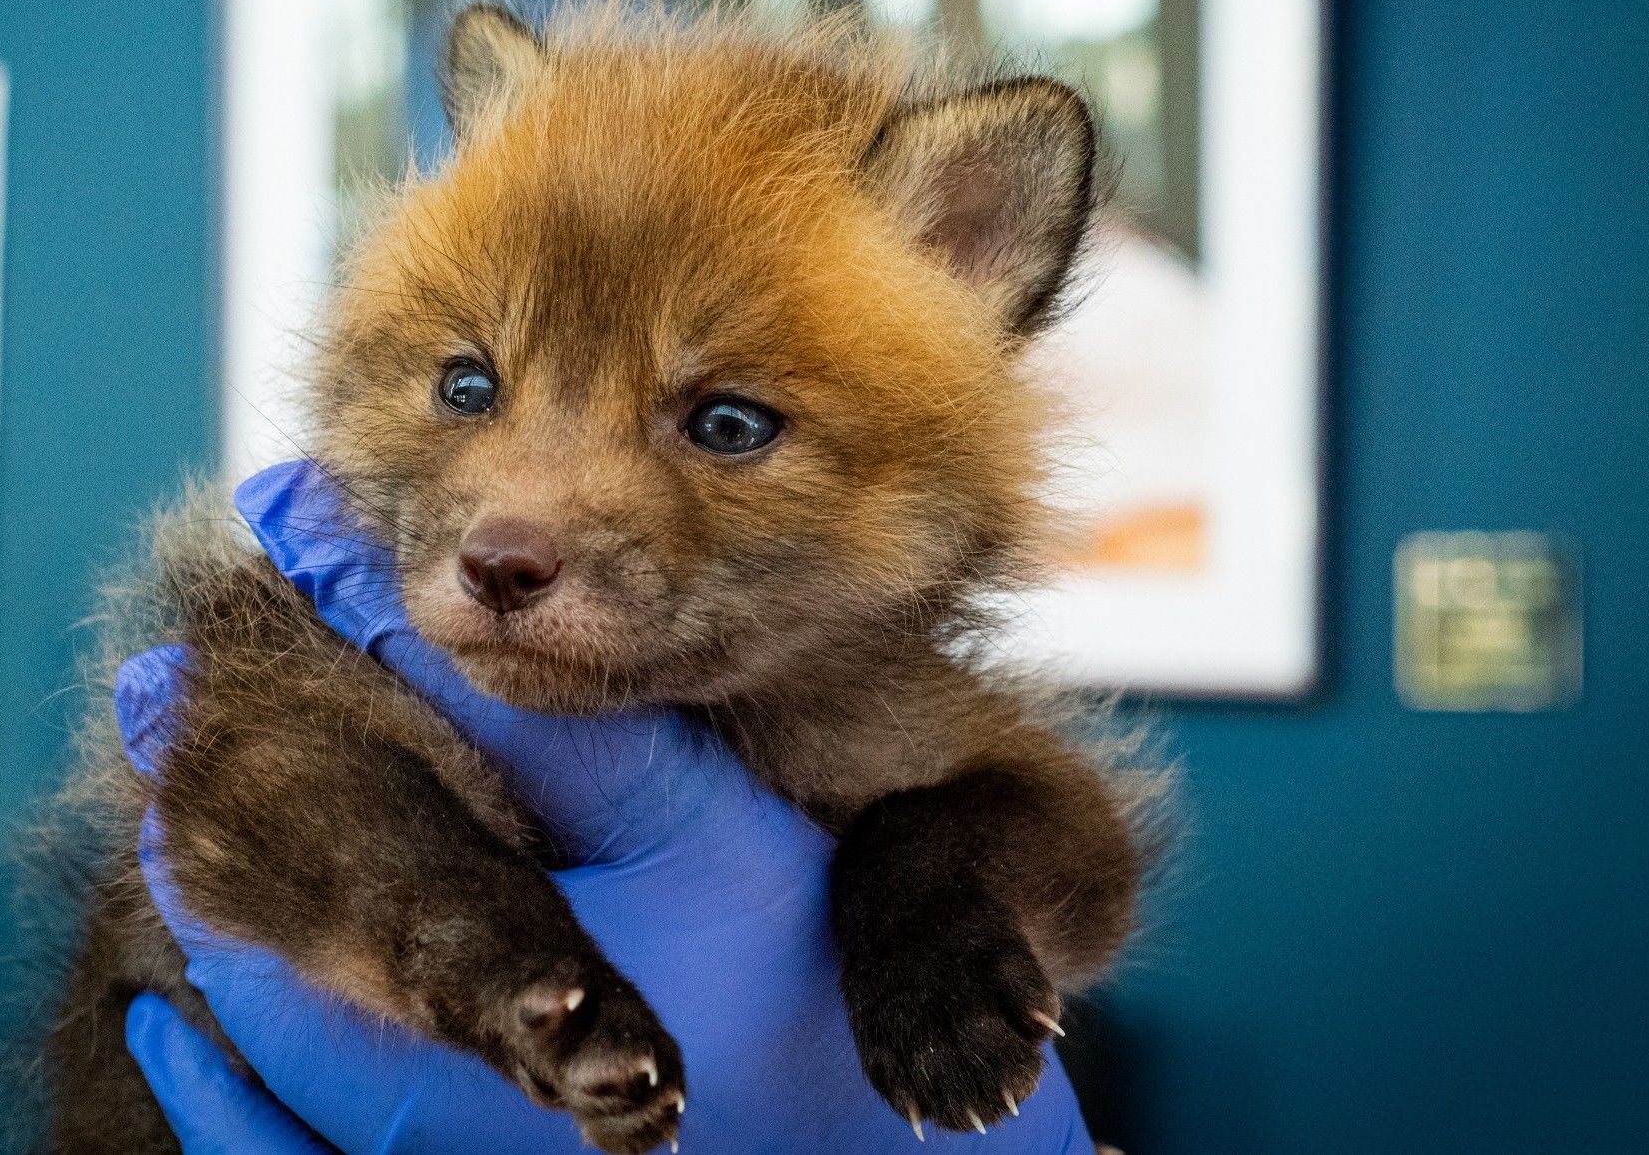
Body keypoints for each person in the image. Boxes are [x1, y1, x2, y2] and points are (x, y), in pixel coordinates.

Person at [118, 462, 1098, 1153]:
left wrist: (926, 882)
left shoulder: (872, 681)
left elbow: (1072, 863)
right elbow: (261, 802)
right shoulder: (326, 631)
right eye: (471, 388)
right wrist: (467, 936)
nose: (520, 525)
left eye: (721, 423)